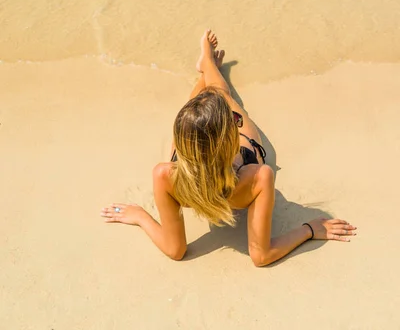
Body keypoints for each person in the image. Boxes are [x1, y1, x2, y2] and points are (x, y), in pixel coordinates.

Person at [101, 30, 357, 266]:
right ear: (230, 139)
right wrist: (310, 230)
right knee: (222, 97)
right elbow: (261, 255)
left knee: (200, 112)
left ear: (180, 142)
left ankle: (206, 69)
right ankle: (209, 67)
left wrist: (142, 217)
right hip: (236, 168)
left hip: (189, 173)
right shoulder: (256, 176)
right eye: (233, 125)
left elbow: (175, 250)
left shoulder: (164, 175)